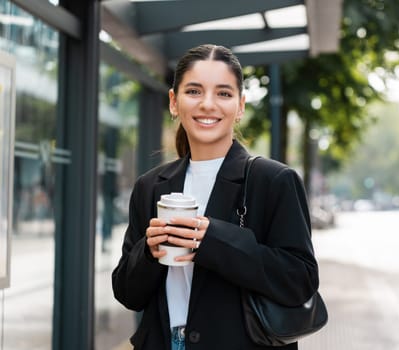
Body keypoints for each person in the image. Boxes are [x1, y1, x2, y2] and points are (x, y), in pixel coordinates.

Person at [112, 44, 320, 350]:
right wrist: (148, 251)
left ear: (240, 106)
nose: (208, 104)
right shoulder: (151, 186)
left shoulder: (273, 181)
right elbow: (127, 293)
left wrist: (212, 239)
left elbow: (300, 281)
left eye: (223, 94)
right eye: (194, 91)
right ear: (174, 102)